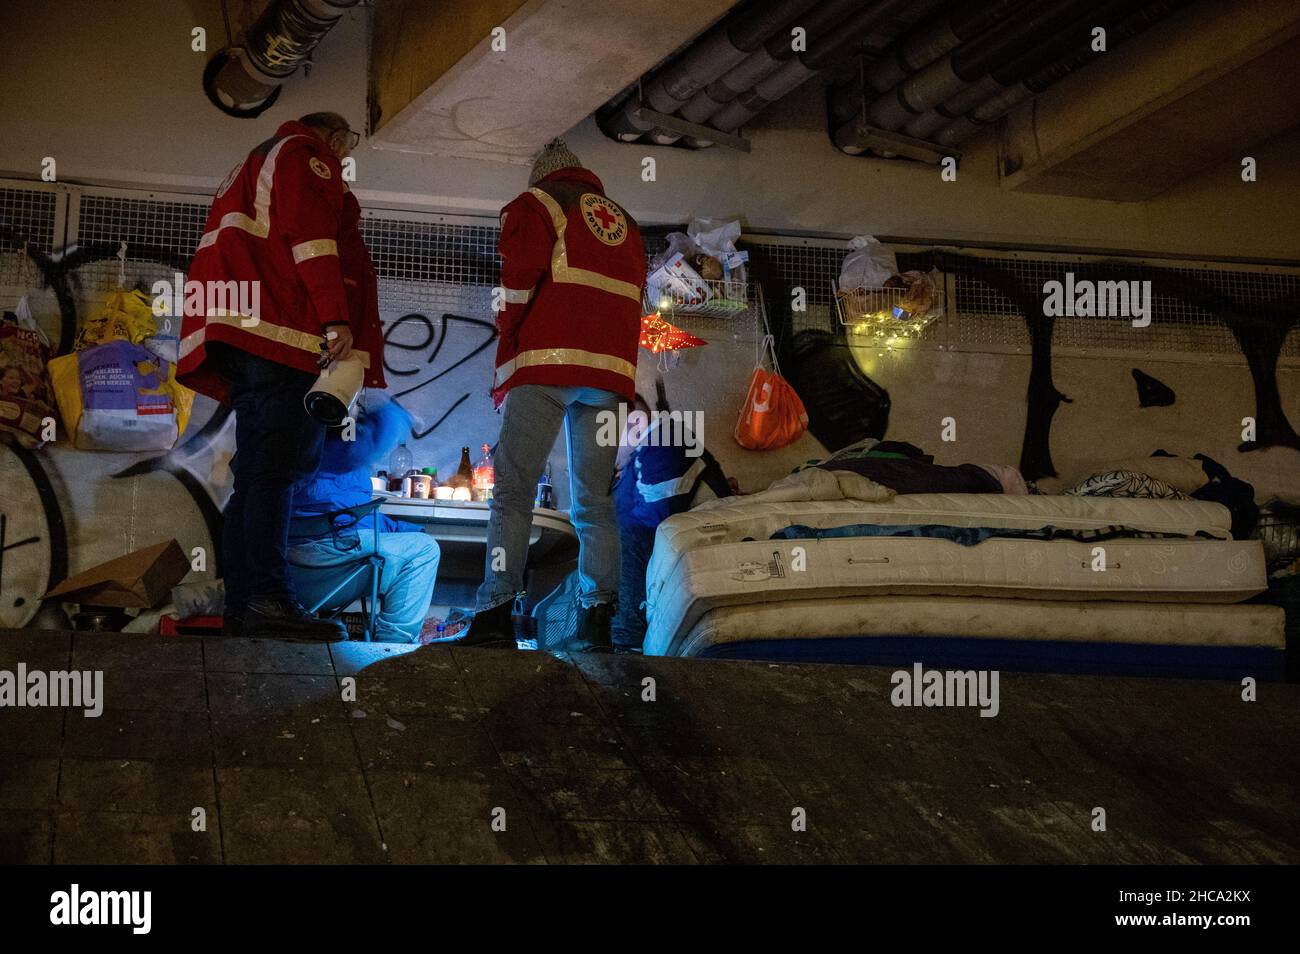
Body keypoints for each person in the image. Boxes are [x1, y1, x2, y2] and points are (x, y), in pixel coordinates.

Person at [178, 112, 386, 641]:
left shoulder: (259, 161)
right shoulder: (304, 156)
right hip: (281, 331)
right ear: (336, 139)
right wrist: (335, 315)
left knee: (258, 472)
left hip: (246, 329)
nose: (341, 160)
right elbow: (313, 239)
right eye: (345, 148)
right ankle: (268, 600)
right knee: (275, 471)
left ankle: (247, 602)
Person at [458, 139, 645, 653]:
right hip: (608, 376)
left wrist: (507, 347)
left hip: (546, 363)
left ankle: (495, 617)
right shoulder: (625, 222)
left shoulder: (535, 204)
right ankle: (596, 625)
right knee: (593, 503)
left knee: (513, 493)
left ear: (540, 176)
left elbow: (517, 284)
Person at [288, 396, 440, 643]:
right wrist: (398, 413)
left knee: (414, 542)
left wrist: (406, 529)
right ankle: (393, 645)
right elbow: (365, 446)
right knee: (425, 551)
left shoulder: (284, 443)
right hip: (326, 560)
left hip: (289, 565)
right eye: (355, 406)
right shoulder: (332, 450)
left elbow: (354, 519)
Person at [611, 394, 732, 652]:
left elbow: (656, 517)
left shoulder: (665, 439)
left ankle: (626, 643)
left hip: (691, 544)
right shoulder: (644, 454)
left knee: (621, 535)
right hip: (660, 550)